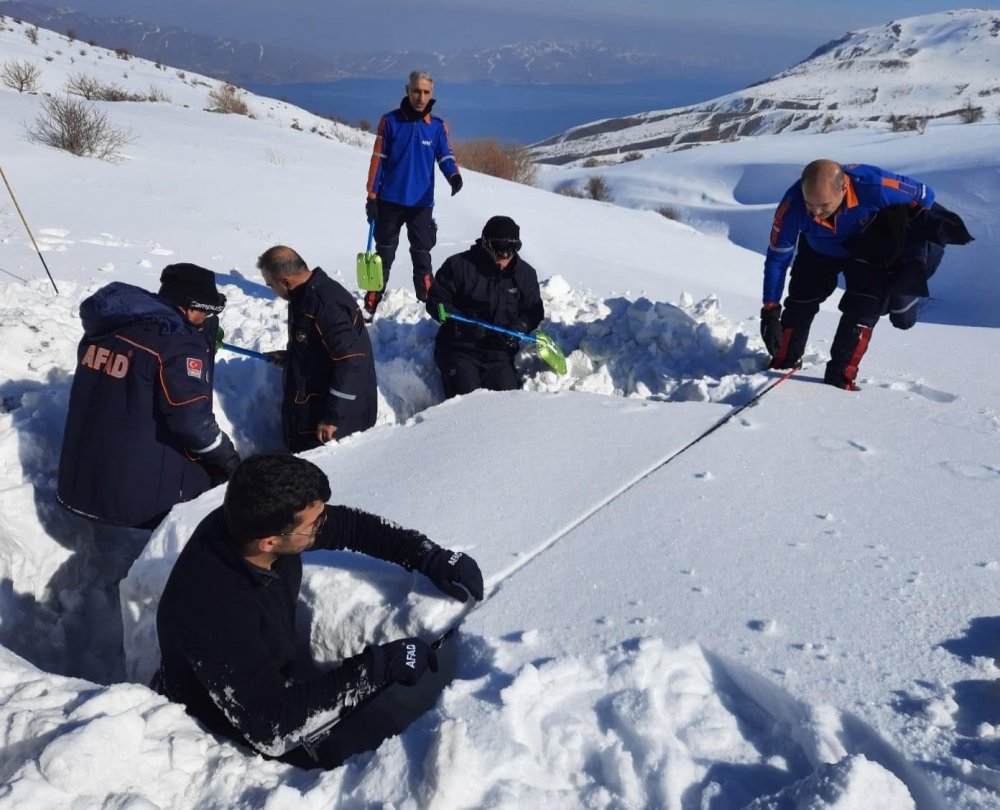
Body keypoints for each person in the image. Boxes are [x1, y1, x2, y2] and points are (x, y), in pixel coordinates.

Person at [155, 453, 484, 768]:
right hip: (222, 729)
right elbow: (272, 727)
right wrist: (378, 667)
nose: (323, 526)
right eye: (314, 524)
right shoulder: (212, 606)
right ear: (269, 542)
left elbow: (353, 527)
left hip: (268, 676)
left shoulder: (253, 523)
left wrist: (426, 555)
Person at [760, 159, 972, 390]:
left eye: (822, 205)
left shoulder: (876, 186)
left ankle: (840, 377)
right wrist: (770, 310)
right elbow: (778, 258)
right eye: (810, 205)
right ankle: (784, 361)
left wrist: (904, 239)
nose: (815, 212)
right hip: (819, 248)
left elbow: (925, 194)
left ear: (843, 189)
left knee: (863, 308)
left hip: (866, 247)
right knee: (802, 298)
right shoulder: (793, 205)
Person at [56, 264, 239, 529]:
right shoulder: (177, 344)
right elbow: (191, 421)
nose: (206, 319)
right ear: (190, 308)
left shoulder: (109, 326)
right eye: (206, 312)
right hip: (142, 492)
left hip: (83, 477)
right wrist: (225, 457)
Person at [257, 245, 377, 453]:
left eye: (271, 285)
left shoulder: (324, 305)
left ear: (286, 281)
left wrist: (334, 417)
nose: (272, 291)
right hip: (313, 409)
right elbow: (324, 348)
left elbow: (352, 360)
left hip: (334, 421)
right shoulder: (304, 296)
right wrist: (292, 357)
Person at [364, 70, 463, 317]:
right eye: (416, 91)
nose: (421, 97)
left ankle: (428, 301)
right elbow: (378, 161)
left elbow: (445, 156)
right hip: (389, 201)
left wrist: (454, 175)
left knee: (422, 254)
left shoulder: (437, 127)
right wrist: (372, 197)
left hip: (421, 203)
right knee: (383, 253)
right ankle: (373, 298)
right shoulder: (390, 122)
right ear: (407, 90)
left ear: (432, 94)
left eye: (426, 92)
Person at [426, 215, 544, 398]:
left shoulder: (525, 275)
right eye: (499, 251)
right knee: (466, 398)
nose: (505, 257)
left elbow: (534, 310)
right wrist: (462, 324)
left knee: (508, 401)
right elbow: (436, 300)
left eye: (511, 251)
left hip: (499, 354)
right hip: (460, 349)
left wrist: (521, 327)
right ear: (486, 244)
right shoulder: (459, 266)